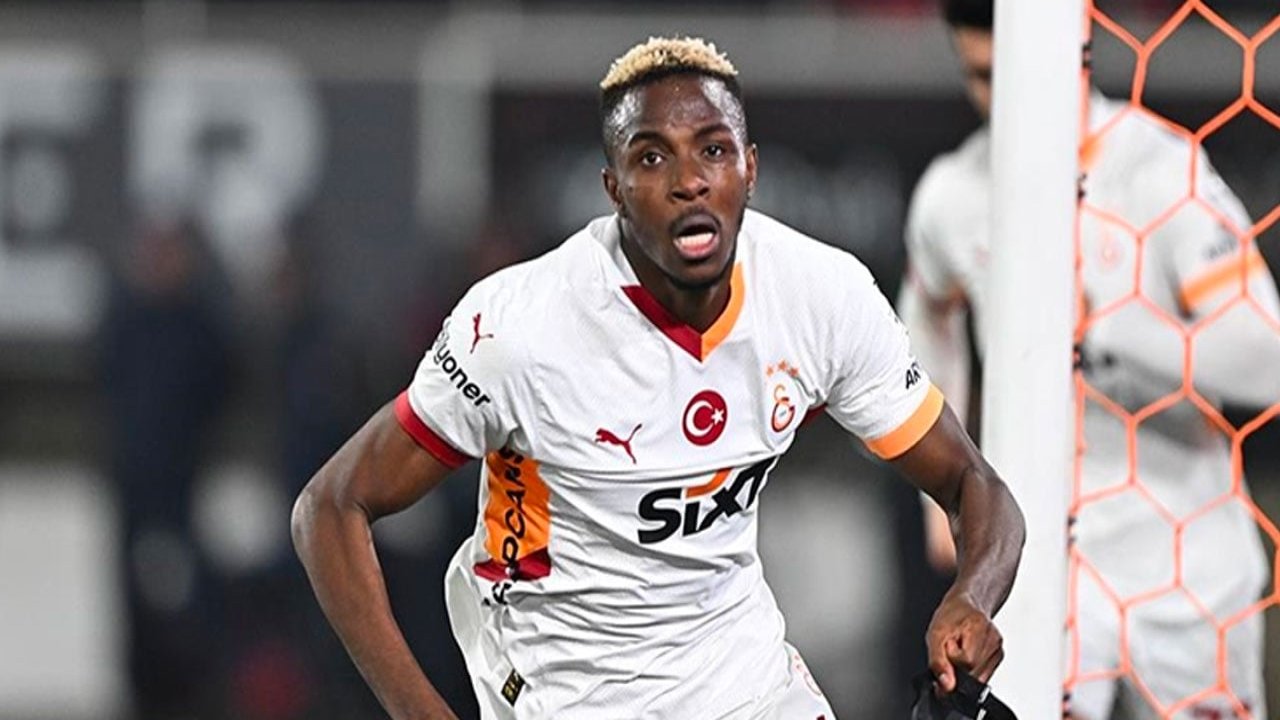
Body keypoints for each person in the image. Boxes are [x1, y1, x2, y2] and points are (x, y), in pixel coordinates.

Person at [292, 35, 1025, 719]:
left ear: (750, 168)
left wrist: (971, 597)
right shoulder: (521, 328)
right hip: (567, 681)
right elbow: (330, 508)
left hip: (739, 673)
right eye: (651, 158)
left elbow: (974, 485)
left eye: (714, 150)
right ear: (612, 187)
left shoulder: (821, 297)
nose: (689, 181)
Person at [901, 2, 1280, 718]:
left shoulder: (1159, 169)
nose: (1004, 97)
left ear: (1072, 51)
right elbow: (927, 326)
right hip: (1046, 563)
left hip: (1188, 560)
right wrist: (939, 492)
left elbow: (1267, 360)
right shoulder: (951, 196)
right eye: (982, 76)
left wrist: (1108, 329)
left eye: (1016, 72)